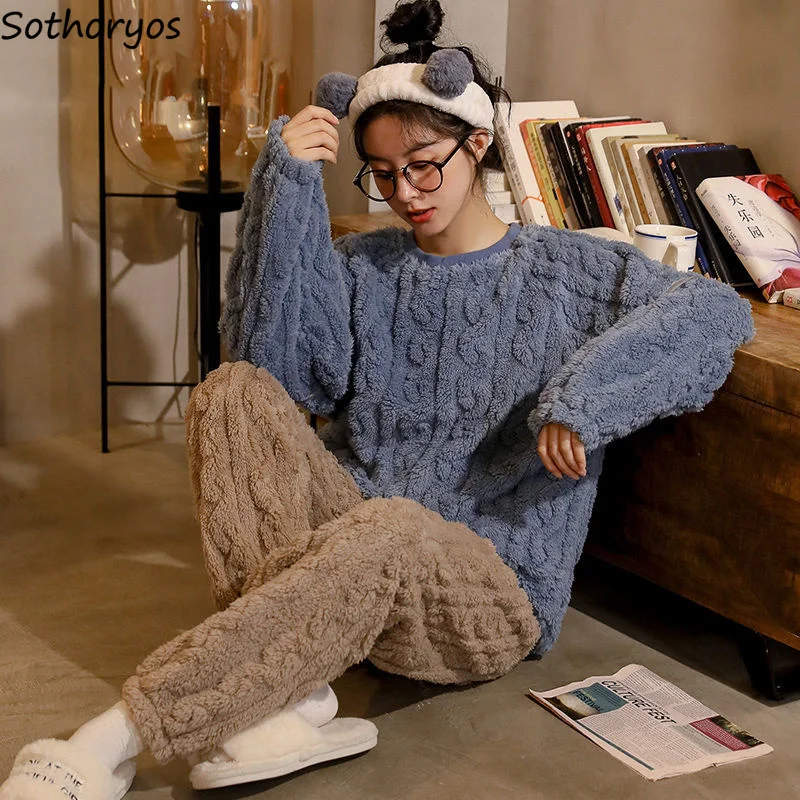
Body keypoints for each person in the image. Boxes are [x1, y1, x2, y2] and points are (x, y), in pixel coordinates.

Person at [0, 1, 755, 797]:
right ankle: (288, 701)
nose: (405, 192)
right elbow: (277, 372)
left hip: (486, 595)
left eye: (424, 164)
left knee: (393, 524)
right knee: (230, 392)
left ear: (477, 144)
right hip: (354, 550)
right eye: (383, 173)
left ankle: (114, 738)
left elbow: (713, 311)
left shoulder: (565, 268)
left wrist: (584, 400)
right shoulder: (367, 264)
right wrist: (286, 185)